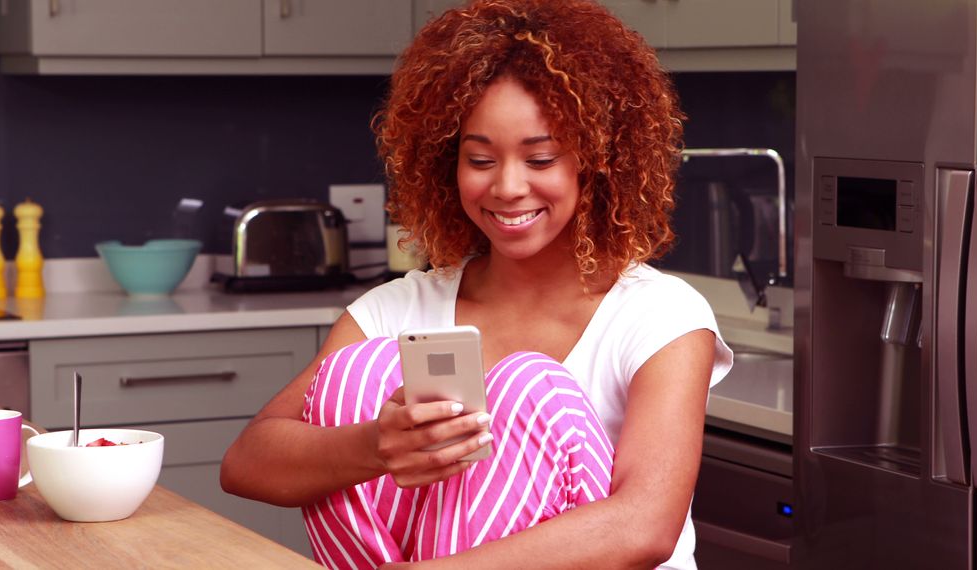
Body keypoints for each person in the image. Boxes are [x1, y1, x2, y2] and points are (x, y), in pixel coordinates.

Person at [220, 0, 732, 568]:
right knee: (355, 373)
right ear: (447, 165)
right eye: (480, 159)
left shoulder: (660, 315)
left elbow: (646, 525)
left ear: (597, 163)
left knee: (527, 383)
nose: (508, 187)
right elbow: (246, 463)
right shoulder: (396, 310)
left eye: (540, 159)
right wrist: (375, 449)